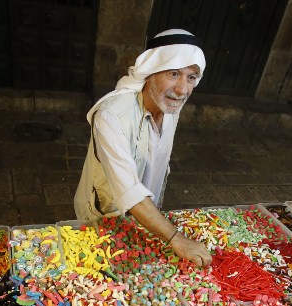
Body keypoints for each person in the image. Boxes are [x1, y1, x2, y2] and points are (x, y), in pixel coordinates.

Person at [74, 29, 212, 267]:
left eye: (191, 78)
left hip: (146, 216)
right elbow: (129, 190)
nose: (182, 89)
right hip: (105, 217)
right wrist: (176, 238)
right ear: (150, 72)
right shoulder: (111, 116)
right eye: (173, 73)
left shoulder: (169, 105)